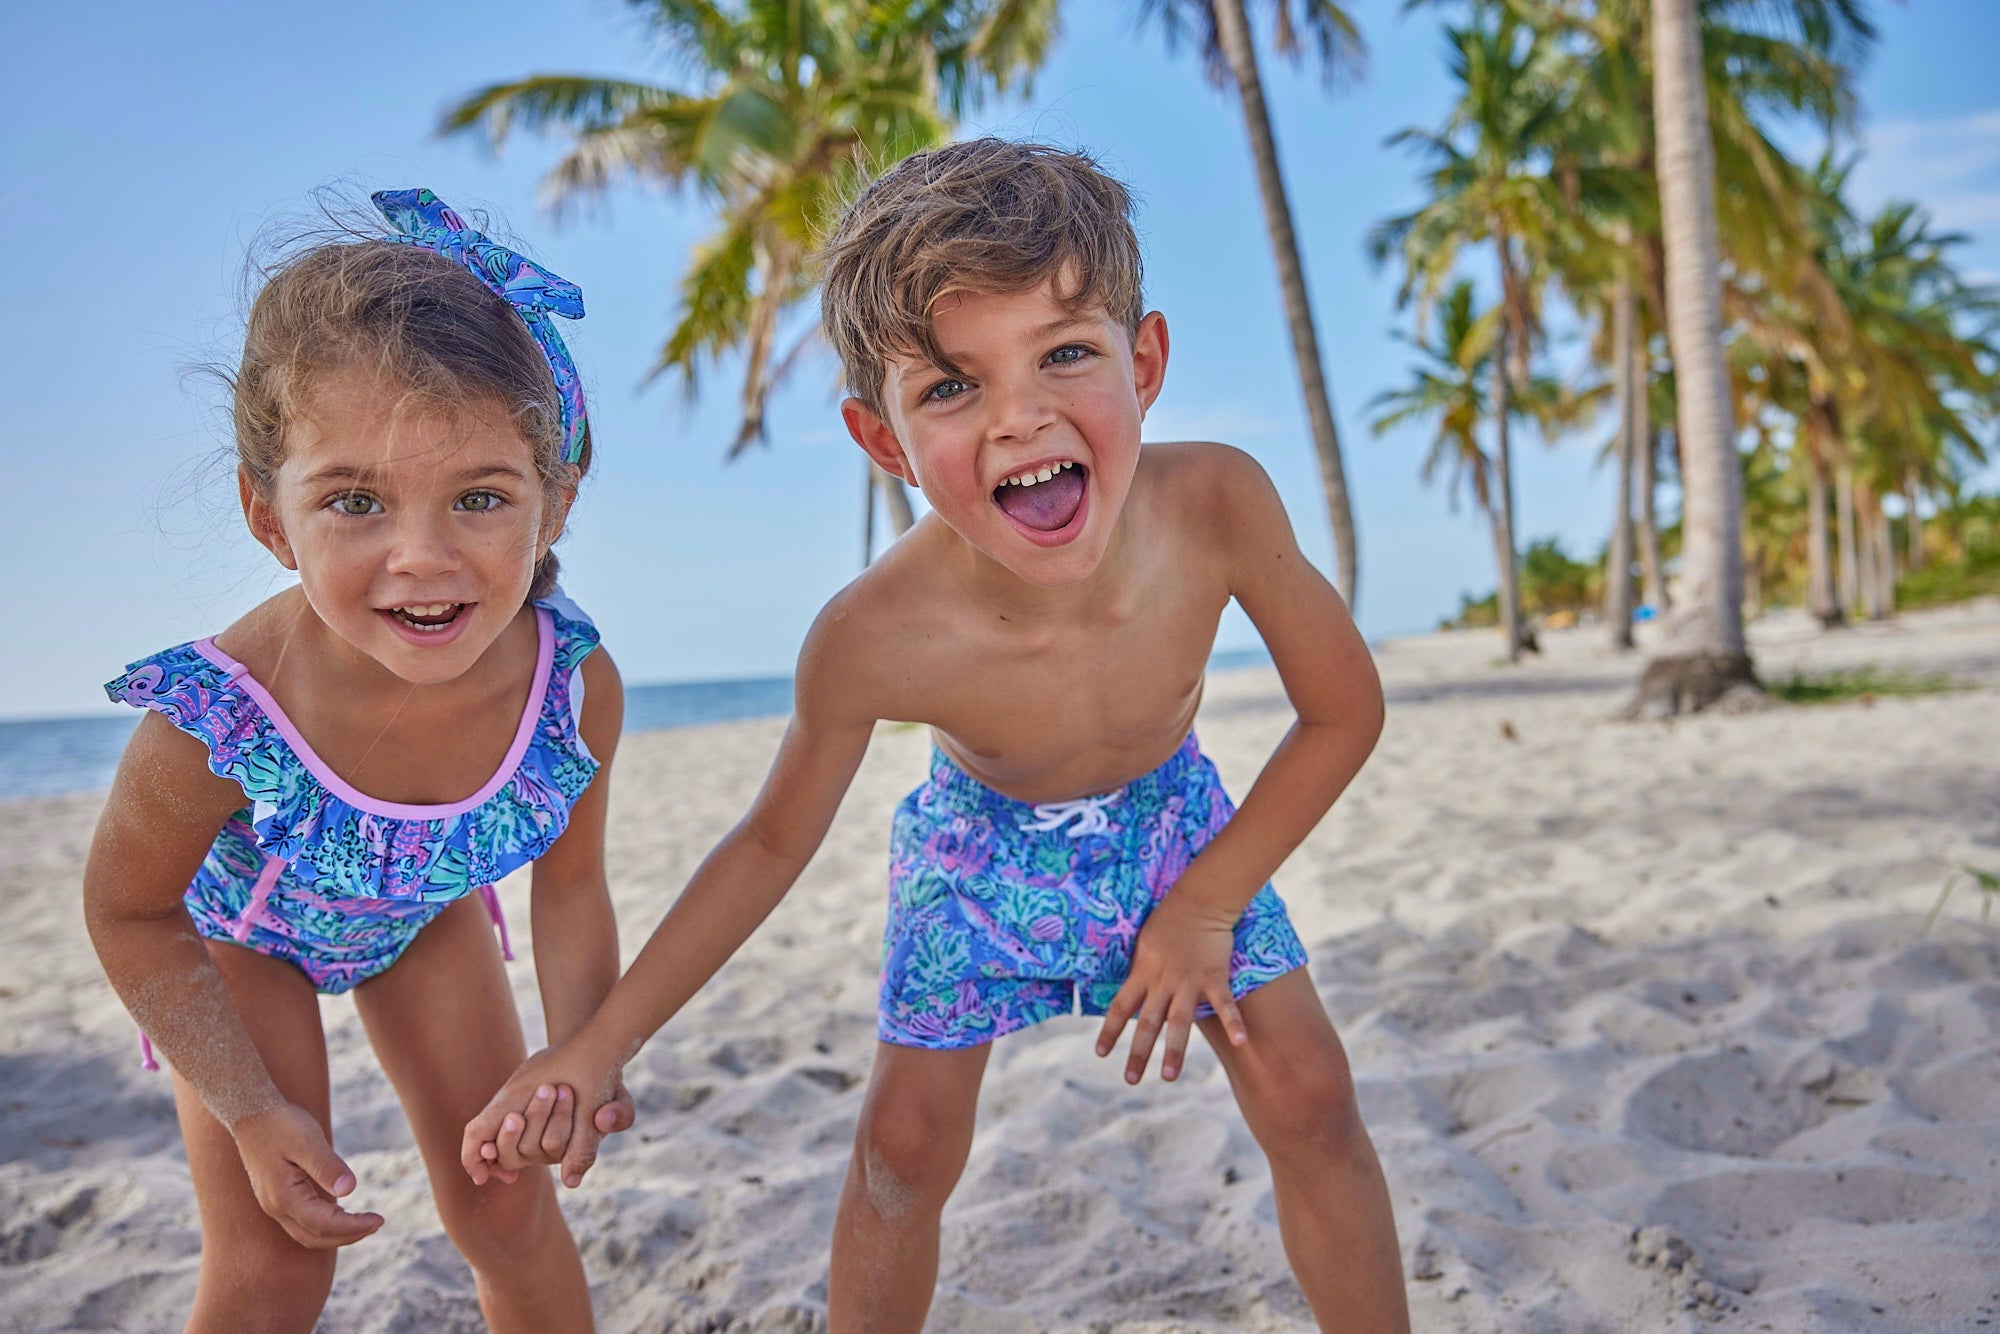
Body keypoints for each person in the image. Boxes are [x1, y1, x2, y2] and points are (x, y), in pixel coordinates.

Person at [466, 139, 1410, 1332]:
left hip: (1175, 826)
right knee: (901, 1154)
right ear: (881, 439)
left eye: (1065, 352)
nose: (1022, 417)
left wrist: (1205, 904)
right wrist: (599, 1041)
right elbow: (765, 844)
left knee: (1312, 1092)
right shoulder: (871, 635)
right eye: (952, 386)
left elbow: (1342, 709)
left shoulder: (1217, 502)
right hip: (976, 855)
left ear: (1146, 359)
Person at [85, 189, 632, 1332]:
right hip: (241, 943)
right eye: (354, 501)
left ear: (555, 502)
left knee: (509, 1212)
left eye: (480, 496)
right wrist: (247, 1109)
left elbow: (570, 886)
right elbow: (130, 913)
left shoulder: (567, 691)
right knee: (281, 1261)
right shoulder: (220, 717)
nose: (420, 558)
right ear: (269, 516)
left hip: (424, 919)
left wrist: (583, 1051)